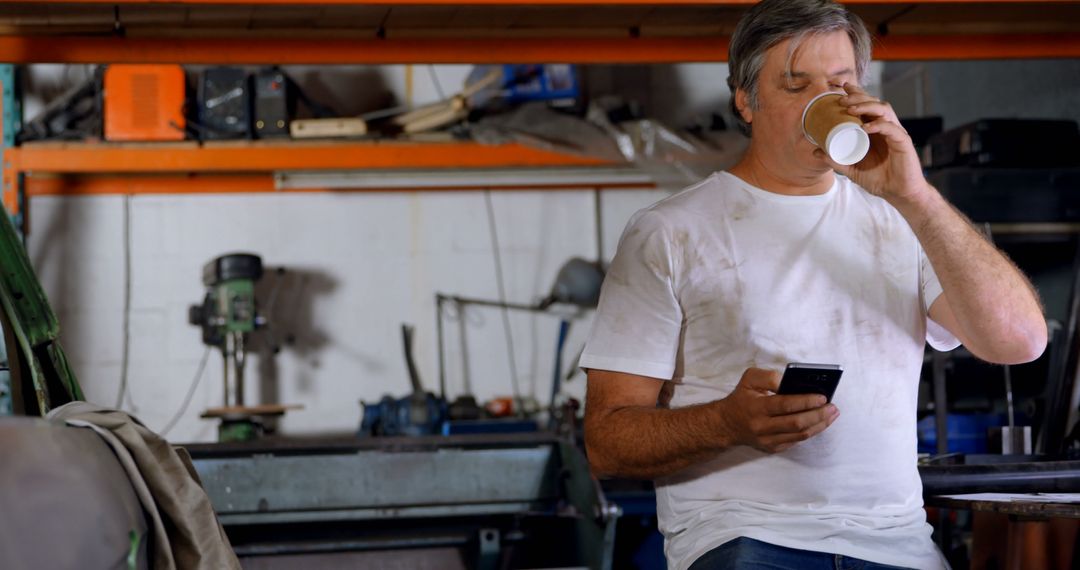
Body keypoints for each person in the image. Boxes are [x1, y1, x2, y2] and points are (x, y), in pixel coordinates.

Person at [579, 1, 1048, 569]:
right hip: (743, 536)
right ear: (746, 101)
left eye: (840, 85)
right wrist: (726, 422)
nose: (823, 105)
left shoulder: (903, 217)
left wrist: (916, 196)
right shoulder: (670, 232)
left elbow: (1020, 342)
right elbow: (606, 443)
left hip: (895, 539)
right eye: (796, 86)